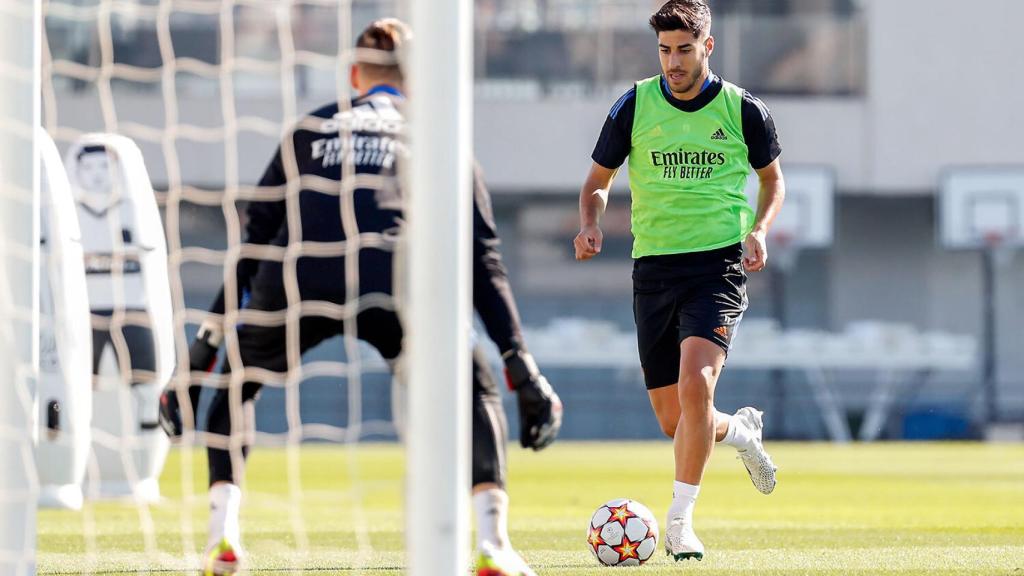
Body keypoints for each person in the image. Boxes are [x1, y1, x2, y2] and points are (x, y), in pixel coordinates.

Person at [159, 18, 561, 576]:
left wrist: (204, 345)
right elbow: (482, 256)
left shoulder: (307, 130)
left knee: (235, 381)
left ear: (354, 75)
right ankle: (493, 542)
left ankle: (221, 536)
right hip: (392, 273)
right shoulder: (439, 136)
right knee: (473, 382)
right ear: (417, 82)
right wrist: (519, 360)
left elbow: (254, 241)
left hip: (303, 274)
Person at [573, 0, 784, 562]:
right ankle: (740, 433)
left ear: (707, 47)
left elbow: (772, 181)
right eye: (665, 50)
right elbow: (598, 178)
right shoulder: (634, 105)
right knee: (677, 418)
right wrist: (591, 222)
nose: (673, 61)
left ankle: (680, 522)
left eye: (684, 50)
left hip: (716, 267)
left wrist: (760, 229)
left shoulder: (744, 111)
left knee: (697, 387)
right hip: (654, 269)